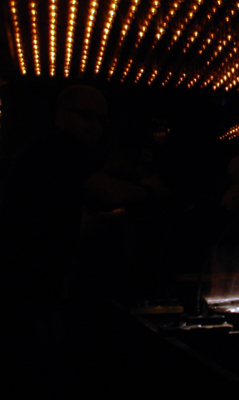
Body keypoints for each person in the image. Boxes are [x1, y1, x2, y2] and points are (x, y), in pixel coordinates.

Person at [0, 84, 167, 395]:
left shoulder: (47, 148)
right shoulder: (61, 145)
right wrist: (151, 191)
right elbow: (106, 195)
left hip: (26, 280)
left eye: (102, 120)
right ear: (63, 115)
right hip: (29, 283)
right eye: (88, 116)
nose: (96, 126)